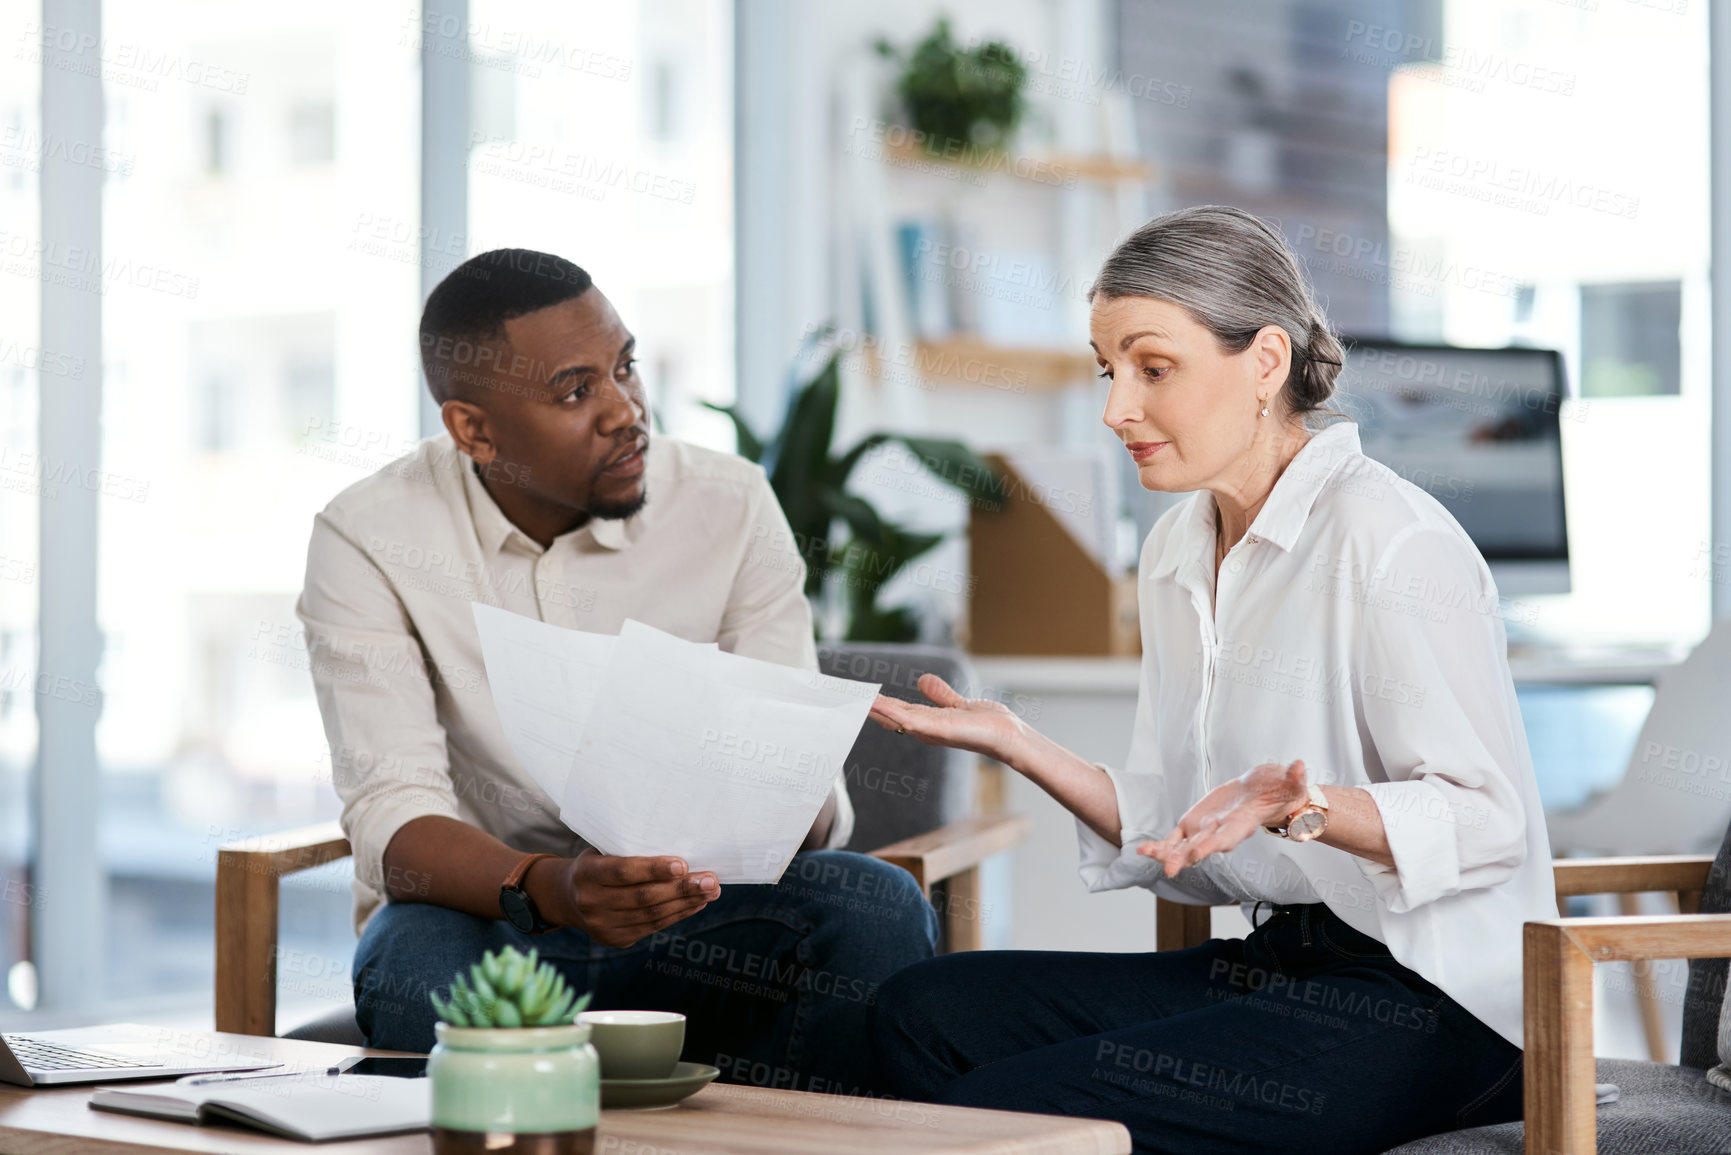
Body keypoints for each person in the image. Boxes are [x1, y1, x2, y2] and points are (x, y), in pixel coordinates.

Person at [868, 207, 1557, 1154]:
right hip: (1281, 963)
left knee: (1029, 1107)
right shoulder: (1176, 549)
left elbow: (1489, 820)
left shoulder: (1392, 541)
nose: (1117, 407)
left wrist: (1308, 808)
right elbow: (1181, 822)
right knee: (918, 1009)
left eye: (1154, 369)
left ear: (1266, 361)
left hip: (1438, 999)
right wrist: (1016, 741)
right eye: (1108, 371)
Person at [296, 248, 935, 1090]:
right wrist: (548, 887)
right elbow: (392, 811)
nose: (625, 410)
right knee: (413, 959)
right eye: (575, 390)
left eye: (625, 368)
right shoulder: (369, 535)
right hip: (495, 921)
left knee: (872, 905)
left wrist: (765, 793)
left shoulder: (729, 504)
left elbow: (806, 795)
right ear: (473, 429)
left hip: (703, 917)